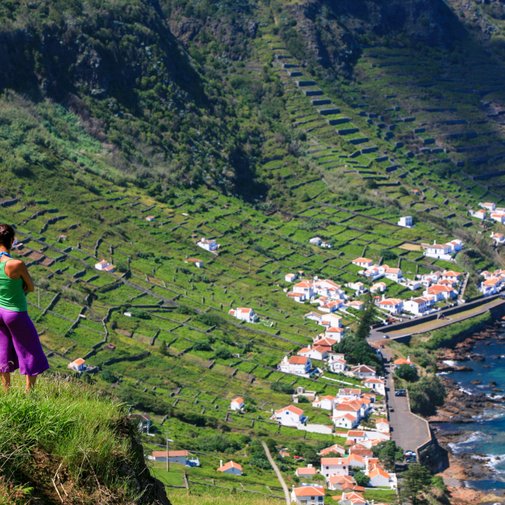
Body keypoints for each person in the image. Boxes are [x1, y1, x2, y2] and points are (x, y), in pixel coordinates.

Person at [0, 224, 49, 392]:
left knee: (3, 349)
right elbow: (31, 286)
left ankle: (6, 390)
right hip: (15, 312)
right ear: (12, 240)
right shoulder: (15, 264)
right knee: (30, 350)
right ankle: (29, 393)